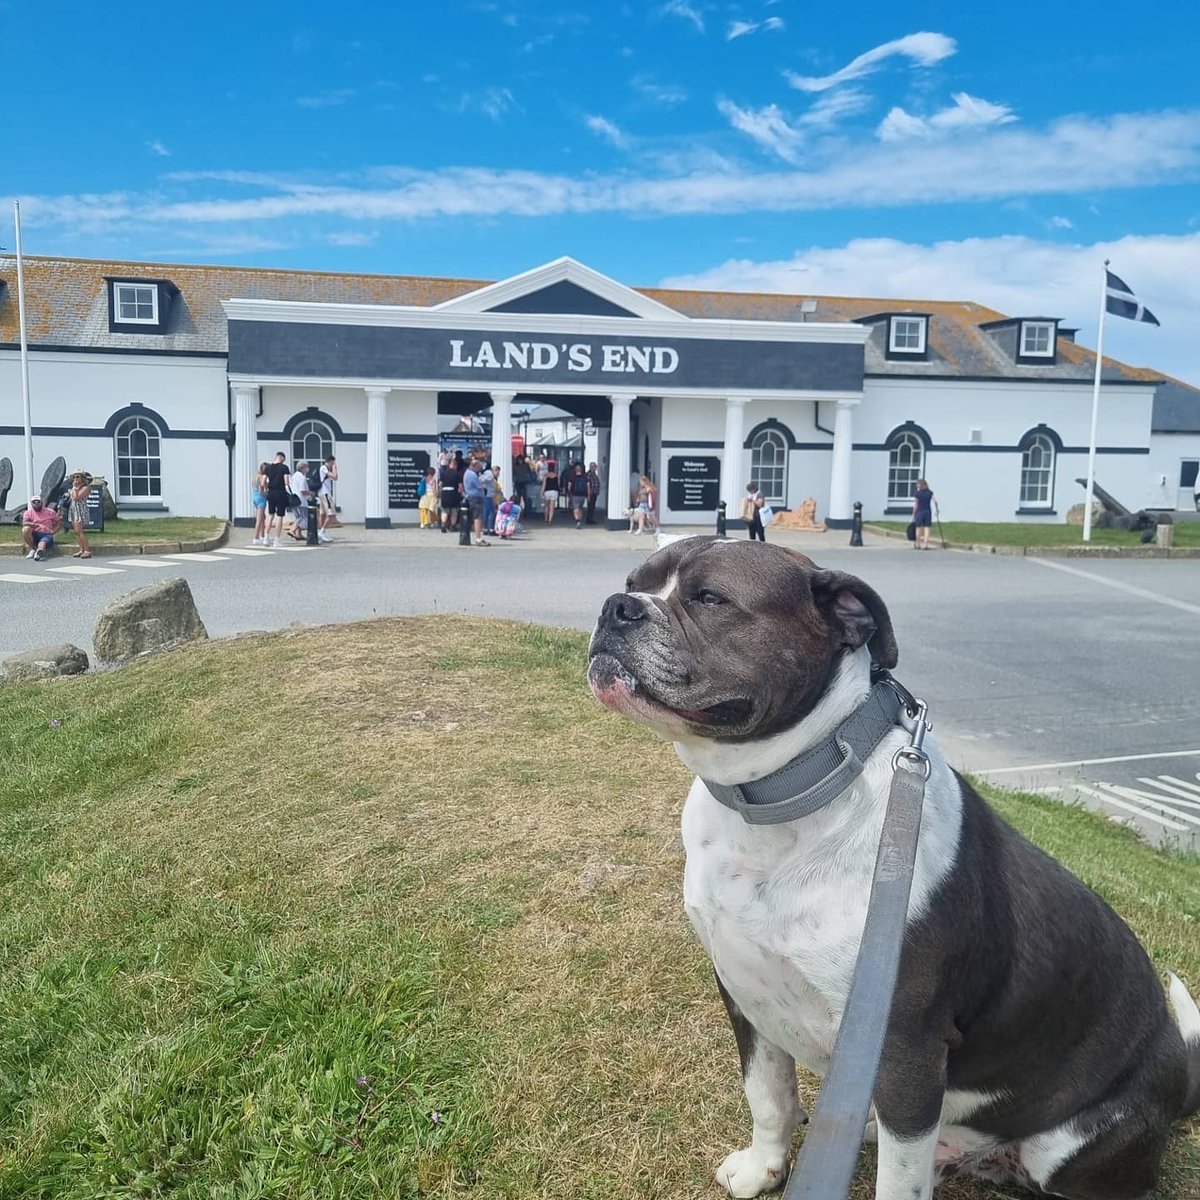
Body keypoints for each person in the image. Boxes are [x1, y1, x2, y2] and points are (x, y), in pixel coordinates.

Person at [261, 451, 291, 547]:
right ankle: (276, 540)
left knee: (270, 515)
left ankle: (266, 538)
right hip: (280, 492)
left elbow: (262, 481)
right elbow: (286, 481)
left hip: (271, 492)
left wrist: (266, 488)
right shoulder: (284, 467)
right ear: (281, 458)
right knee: (279, 516)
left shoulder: (268, 467)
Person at [22, 495, 62, 561]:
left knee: (42, 544)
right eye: (34, 502)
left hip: (46, 534)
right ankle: (33, 549)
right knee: (25, 529)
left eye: (38, 502)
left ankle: (38, 553)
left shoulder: (50, 512)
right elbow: (24, 523)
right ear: (31, 503)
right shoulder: (28, 513)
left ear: (41, 502)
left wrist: (53, 531)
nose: (36, 504)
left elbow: (59, 523)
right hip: (34, 533)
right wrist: (35, 525)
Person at [66, 469, 94, 558]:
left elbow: (77, 498)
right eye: (73, 477)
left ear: (82, 478)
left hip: (80, 510)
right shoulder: (75, 488)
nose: (75, 479)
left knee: (80, 531)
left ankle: (86, 550)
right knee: (76, 532)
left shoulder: (85, 487)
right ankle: (81, 549)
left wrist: (74, 488)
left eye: (77, 477)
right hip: (73, 509)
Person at [462, 455, 489, 546]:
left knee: (474, 518)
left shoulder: (466, 473)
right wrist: (483, 487)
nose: (479, 469)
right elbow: (479, 486)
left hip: (470, 496)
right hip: (476, 498)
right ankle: (478, 539)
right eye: (479, 467)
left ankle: (477, 537)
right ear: (475, 466)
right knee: (478, 518)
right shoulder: (473, 475)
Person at [286, 460, 310, 540]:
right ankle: (292, 530)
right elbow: (302, 490)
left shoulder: (293, 477)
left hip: (293, 500)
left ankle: (299, 534)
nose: (308, 469)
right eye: (307, 467)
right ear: (303, 468)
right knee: (304, 519)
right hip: (301, 501)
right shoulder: (302, 478)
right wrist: (310, 493)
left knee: (298, 517)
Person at [439, 454, 463, 532]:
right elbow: (460, 486)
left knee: (445, 510)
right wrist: (461, 493)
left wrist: (440, 493)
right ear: (455, 465)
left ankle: (443, 524)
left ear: (449, 465)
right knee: (454, 511)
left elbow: (440, 484)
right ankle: (452, 526)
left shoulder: (444, 473)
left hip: (445, 494)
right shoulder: (458, 474)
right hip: (454, 494)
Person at [317, 455, 338, 542]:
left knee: (322, 513)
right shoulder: (323, 468)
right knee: (331, 514)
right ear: (330, 461)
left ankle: (321, 531)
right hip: (325, 493)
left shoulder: (324, 469)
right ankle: (322, 532)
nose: (333, 464)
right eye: (332, 462)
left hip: (322, 493)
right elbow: (335, 477)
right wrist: (335, 468)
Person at [912, 478, 937, 550]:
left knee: (918, 528)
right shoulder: (930, 492)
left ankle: (918, 544)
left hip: (919, 512)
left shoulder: (917, 493)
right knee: (927, 528)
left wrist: (913, 514)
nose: (916, 485)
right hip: (927, 512)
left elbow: (916, 504)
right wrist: (937, 510)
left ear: (920, 485)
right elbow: (935, 501)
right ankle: (925, 545)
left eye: (917, 484)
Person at [251, 462, 269, 544]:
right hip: (261, 498)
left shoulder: (255, 476)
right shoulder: (263, 477)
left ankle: (262, 535)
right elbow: (262, 490)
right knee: (259, 519)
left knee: (263, 517)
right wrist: (267, 491)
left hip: (255, 496)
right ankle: (256, 537)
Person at [567, 462, 590, 528]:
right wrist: (588, 496)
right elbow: (588, 487)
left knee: (575, 508)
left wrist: (569, 493)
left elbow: (569, 486)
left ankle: (577, 521)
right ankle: (579, 520)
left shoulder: (572, 476)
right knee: (580, 508)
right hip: (583, 495)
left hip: (575, 495)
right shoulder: (585, 476)